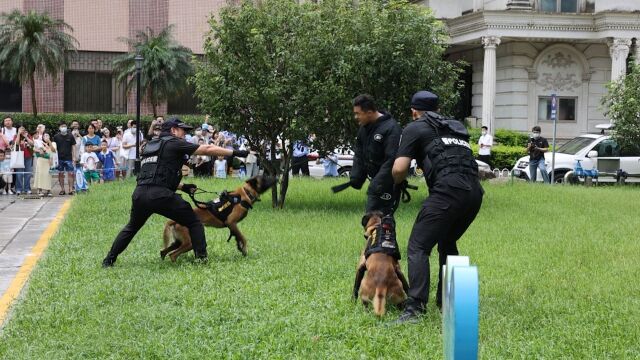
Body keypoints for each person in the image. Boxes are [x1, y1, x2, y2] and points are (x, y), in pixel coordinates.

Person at [101, 118, 249, 267]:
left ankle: (108, 260)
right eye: (182, 131)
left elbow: (157, 175)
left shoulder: (151, 146)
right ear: (173, 130)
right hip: (160, 195)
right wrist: (236, 152)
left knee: (131, 228)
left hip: (140, 194)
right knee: (194, 221)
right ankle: (202, 259)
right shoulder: (173, 142)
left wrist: (183, 187)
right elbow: (207, 149)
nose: (184, 135)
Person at [391, 90, 484, 324]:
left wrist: (396, 182)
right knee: (447, 242)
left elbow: (400, 168)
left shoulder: (414, 127)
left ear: (414, 111)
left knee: (418, 246)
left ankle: (415, 310)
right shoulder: (453, 127)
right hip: (474, 194)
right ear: (437, 109)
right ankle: (449, 303)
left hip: (447, 192)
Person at [334, 94, 402, 215]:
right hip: (375, 184)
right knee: (369, 221)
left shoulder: (391, 129)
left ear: (369, 112)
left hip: (387, 185)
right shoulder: (364, 129)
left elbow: (391, 160)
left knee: (382, 221)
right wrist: (356, 177)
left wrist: (378, 183)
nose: (355, 117)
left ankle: (384, 233)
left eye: (358, 113)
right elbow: (360, 154)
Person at [53, 122, 78, 195]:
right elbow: (54, 148)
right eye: (62, 126)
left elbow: (73, 147)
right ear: (59, 128)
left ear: (67, 127)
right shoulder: (56, 137)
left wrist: (74, 157)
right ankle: (62, 189)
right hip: (59, 158)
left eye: (65, 126)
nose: (63, 127)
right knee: (60, 174)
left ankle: (70, 189)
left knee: (70, 174)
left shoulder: (70, 136)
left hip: (69, 158)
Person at [14, 126, 34, 195]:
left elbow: (32, 144)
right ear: (18, 130)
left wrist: (26, 137)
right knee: (19, 173)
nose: (22, 130)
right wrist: (19, 134)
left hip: (28, 156)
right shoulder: (16, 136)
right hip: (19, 157)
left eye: (23, 129)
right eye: (20, 129)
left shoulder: (28, 135)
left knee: (28, 173)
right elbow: (16, 143)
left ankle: (27, 188)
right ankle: (18, 189)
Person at [33, 131, 54, 196]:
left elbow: (53, 150)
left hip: (49, 161)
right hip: (41, 160)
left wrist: (49, 142)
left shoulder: (53, 143)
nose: (46, 137)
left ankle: (48, 190)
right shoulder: (39, 142)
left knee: (48, 175)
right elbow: (34, 149)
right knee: (40, 174)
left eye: (47, 135)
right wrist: (39, 150)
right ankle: (39, 190)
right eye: (44, 136)